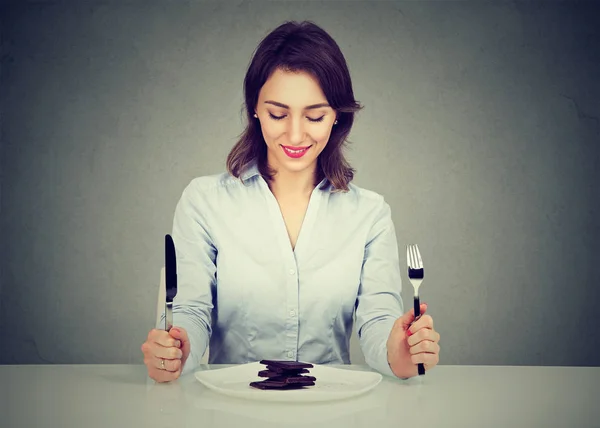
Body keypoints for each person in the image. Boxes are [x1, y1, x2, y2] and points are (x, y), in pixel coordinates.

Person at [141, 20, 440, 383]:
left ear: (336, 117)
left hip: (331, 408)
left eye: (315, 116)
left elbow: (379, 320)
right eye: (278, 114)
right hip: (232, 408)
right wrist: (175, 349)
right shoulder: (204, 202)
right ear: (254, 108)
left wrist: (399, 352)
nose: (295, 134)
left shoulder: (370, 214)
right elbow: (190, 309)